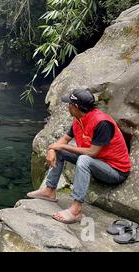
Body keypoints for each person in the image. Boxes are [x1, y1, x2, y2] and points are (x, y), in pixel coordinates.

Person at [27, 89, 132, 224]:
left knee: (83, 159)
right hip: (97, 162)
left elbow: (92, 153)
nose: (67, 106)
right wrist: (52, 149)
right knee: (61, 151)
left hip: (115, 171)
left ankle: (76, 210)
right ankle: (49, 190)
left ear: (75, 107)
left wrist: (61, 147)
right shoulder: (79, 119)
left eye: (69, 103)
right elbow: (64, 140)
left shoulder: (102, 123)